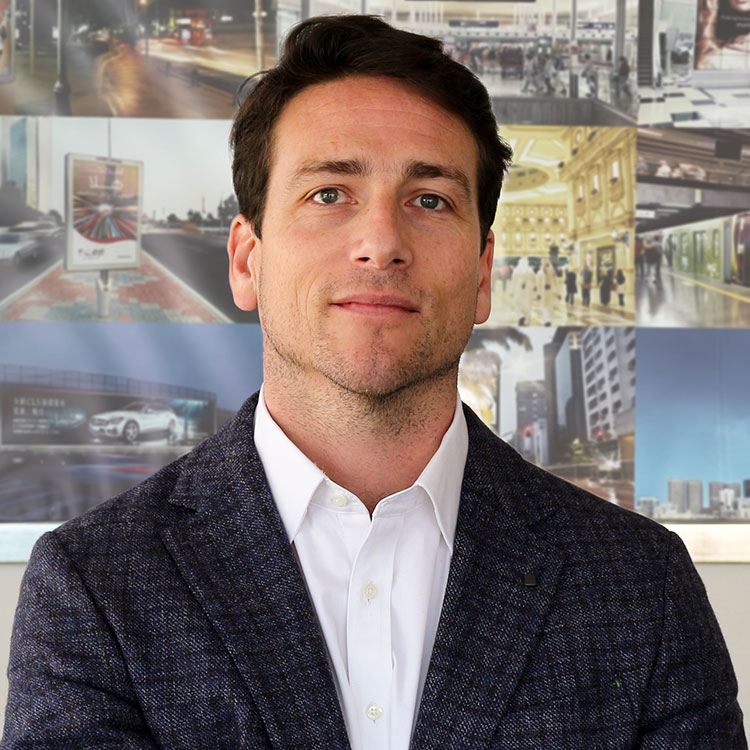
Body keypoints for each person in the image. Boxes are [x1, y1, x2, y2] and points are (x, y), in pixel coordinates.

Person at [3, 15, 746, 750]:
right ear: (247, 260)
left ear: (483, 274)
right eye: (330, 193)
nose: (382, 242)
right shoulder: (95, 584)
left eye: (430, 200)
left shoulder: (641, 585)